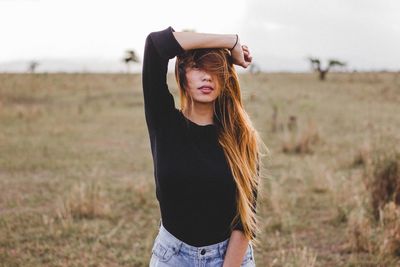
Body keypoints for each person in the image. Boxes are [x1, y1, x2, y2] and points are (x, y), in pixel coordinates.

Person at [142, 26, 267, 267]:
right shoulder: (163, 122)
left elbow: (245, 219)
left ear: (226, 78)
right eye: (197, 67)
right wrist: (231, 42)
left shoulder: (241, 137)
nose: (207, 76)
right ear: (182, 74)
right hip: (173, 257)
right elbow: (156, 45)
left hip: (230, 258)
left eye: (216, 69)